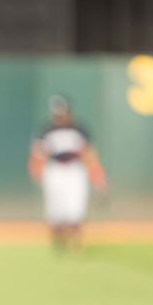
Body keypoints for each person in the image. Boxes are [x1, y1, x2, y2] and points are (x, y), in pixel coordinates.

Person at [28, 95, 107, 253]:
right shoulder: (47, 130)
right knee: (55, 209)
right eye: (57, 113)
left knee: (75, 207)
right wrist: (36, 170)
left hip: (75, 169)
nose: (60, 116)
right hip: (55, 169)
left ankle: (76, 240)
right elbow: (38, 154)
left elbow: (89, 155)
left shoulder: (79, 129)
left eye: (63, 112)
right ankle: (59, 236)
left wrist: (98, 178)